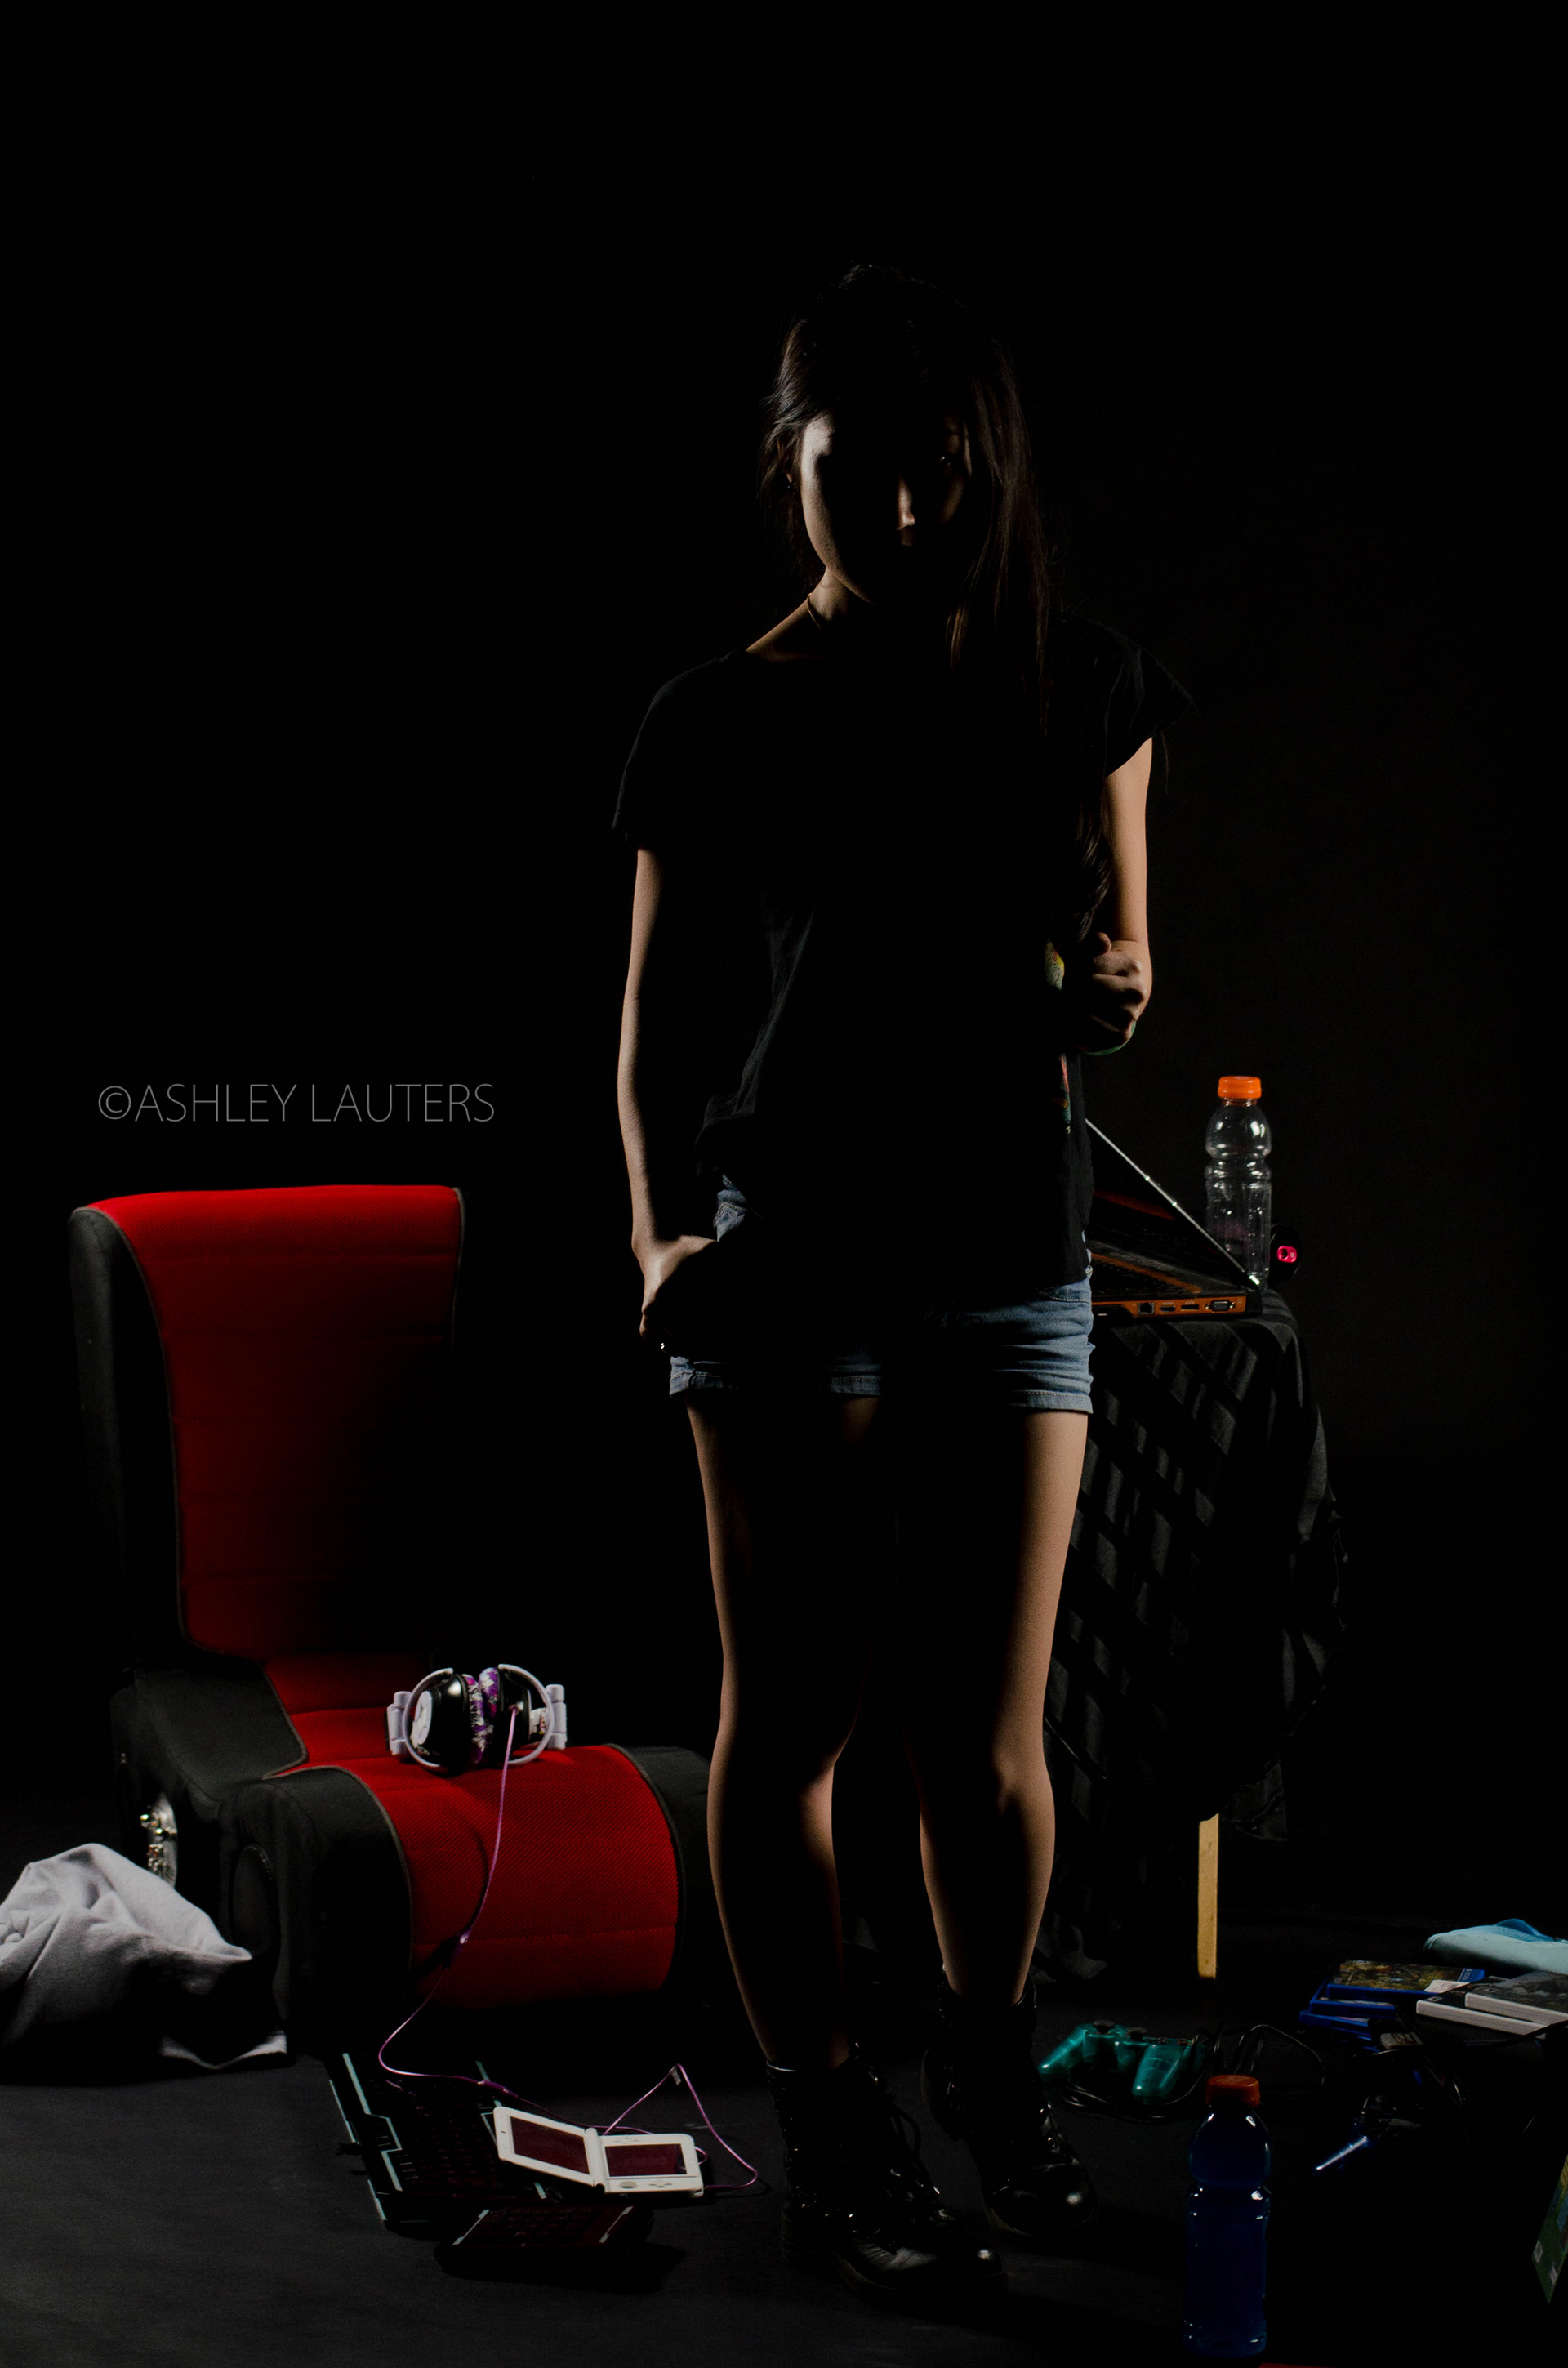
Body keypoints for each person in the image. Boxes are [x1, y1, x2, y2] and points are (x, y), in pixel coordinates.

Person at [614, 263, 1191, 2305]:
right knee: (794, 1725)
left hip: (1013, 1256)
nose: (913, 509)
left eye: (949, 472)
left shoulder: (1084, 683)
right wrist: (658, 1240)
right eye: (867, 468)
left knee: (990, 1737)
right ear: (795, 459)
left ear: (990, 470)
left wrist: (1116, 983)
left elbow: (1126, 957)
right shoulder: (718, 716)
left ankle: (991, 2080)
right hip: (794, 1265)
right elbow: (655, 1036)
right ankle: (836, 2128)